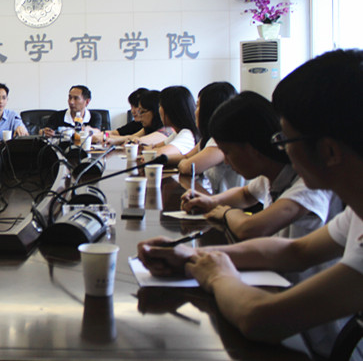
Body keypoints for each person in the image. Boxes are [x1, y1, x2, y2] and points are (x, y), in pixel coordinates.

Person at [137, 49, 363, 360]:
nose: (281, 150)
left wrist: (217, 275)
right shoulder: (356, 212)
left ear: (329, 151)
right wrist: (192, 255)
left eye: (285, 141)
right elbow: (296, 251)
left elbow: (261, 319)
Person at [181, 91, 342, 244]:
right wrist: (211, 201)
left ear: (252, 149)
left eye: (228, 153)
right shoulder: (273, 174)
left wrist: (226, 213)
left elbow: (248, 229)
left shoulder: (309, 183)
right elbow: (246, 194)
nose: (227, 162)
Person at [177, 82, 244, 194]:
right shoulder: (208, 138)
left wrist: (183, 163)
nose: (195, 111)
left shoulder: (220, 140)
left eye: (198, 106)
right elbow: (186, 156)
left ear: (209, 110)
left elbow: (189, 167)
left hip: (232, 202)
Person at [144, 85, 199, 164]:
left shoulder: (187, 134)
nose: (159, 110)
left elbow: (159, 154)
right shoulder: (177, 133)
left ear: (170, 110)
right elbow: (155, 147)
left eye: (160, 106)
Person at [104, 90, 170, 146]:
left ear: (156, 111)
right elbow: (130, 137)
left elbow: (136, 141)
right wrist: (110, 139)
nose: (140, 116)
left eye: (142, 111)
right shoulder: (148, 127)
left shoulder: (168, 129)